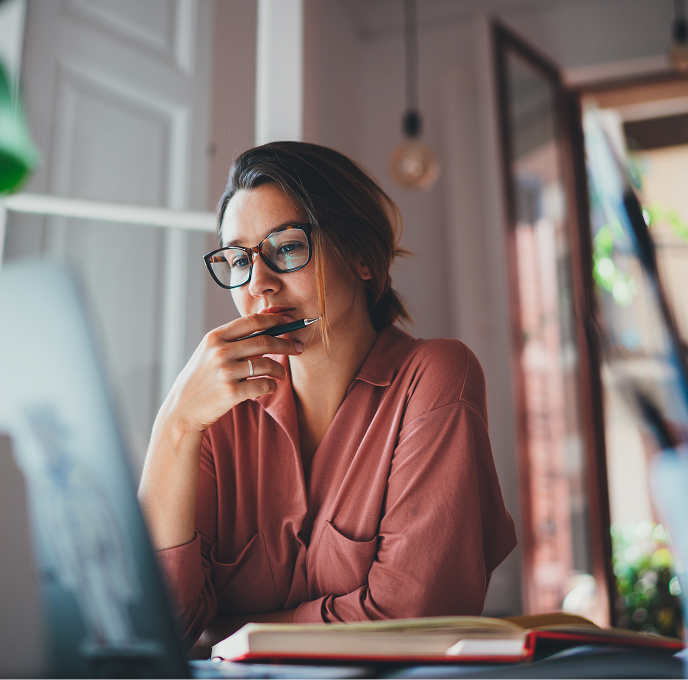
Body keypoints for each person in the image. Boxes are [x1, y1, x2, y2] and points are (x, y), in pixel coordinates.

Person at [138, 141, 517, 651]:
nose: (260, 286)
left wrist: (227, 632)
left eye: (287, 247)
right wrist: (176, 424)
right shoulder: (215, 414)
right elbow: (156, 630)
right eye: (238, 260)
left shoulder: (434, 377)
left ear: (361, 256)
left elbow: (411, 618)